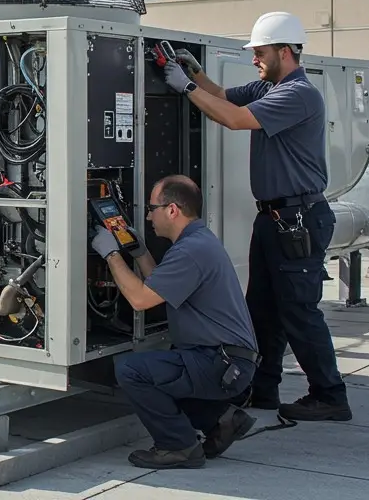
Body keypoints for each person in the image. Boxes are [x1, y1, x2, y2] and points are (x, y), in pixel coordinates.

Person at [161, 11, 352, 423]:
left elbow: (233, 119)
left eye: (260, 52)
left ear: (286, 51)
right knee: (262, 309)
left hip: (297, 217)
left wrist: (187, 86)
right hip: (274, 218)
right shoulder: (269, 86)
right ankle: (263, 389)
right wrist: (193, 72)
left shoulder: (298, 93)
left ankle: (330, 394)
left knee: (299, 310)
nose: (254, 59)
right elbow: (226, 97)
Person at [93, 175, 260, 469]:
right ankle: (222, 421)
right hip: (227, 361)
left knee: (132, 370)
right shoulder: (198, 241)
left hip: (219, 363)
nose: (148, 215)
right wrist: (140, 251)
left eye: (152, 208)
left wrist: (111, 255)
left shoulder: (190, 251)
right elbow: (162, 284)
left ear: (172, 210)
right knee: (166, 371)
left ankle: (178, 446)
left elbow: (141, 299)